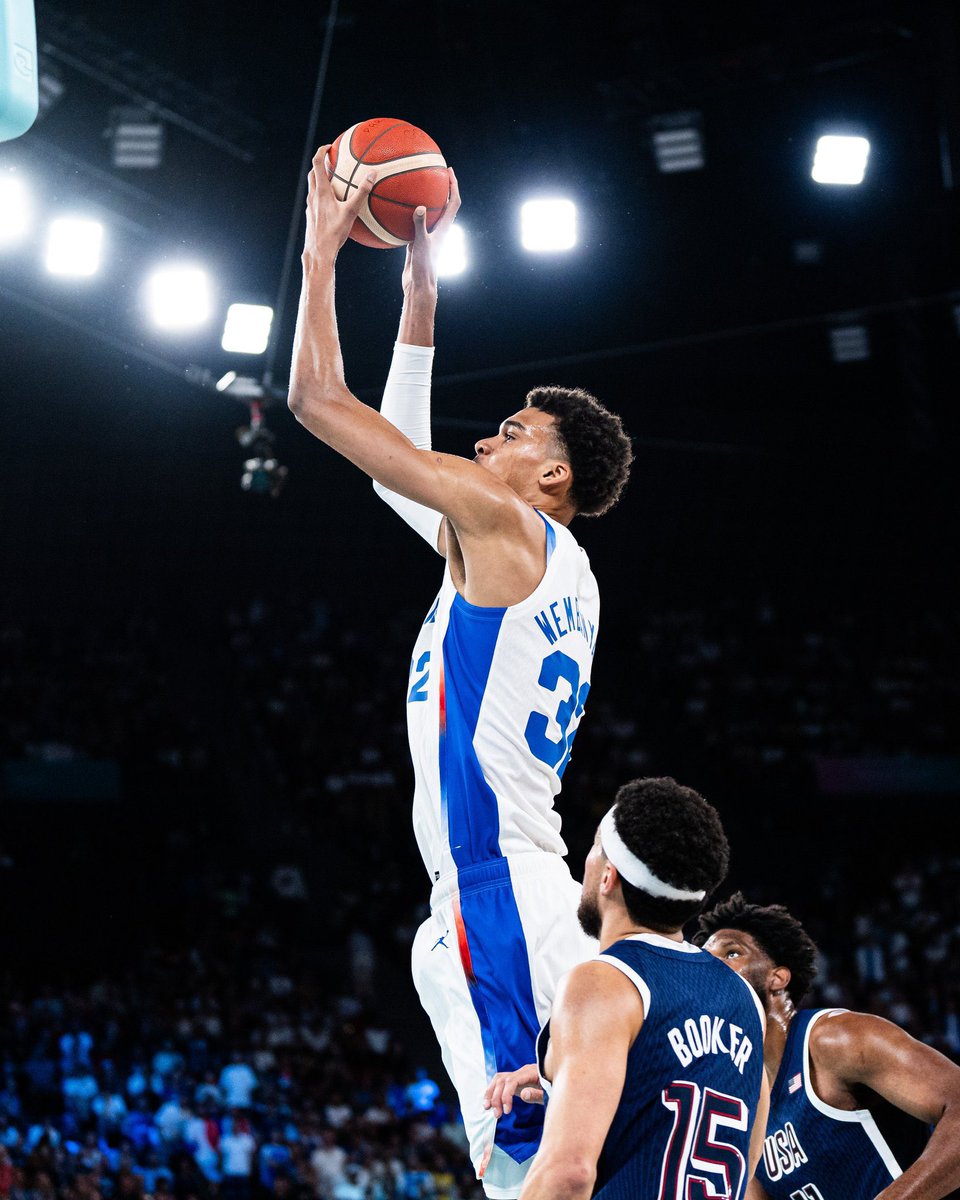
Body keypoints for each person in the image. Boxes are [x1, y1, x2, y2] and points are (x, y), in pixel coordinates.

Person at [288, 152, 633, 1197]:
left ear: (553, 475)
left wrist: (318, 254)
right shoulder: (535, 559)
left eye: (513, 433)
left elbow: (317, 400)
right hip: (520, 890)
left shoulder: (503, 526)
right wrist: (420, 295)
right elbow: (400, 465)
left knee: (536, 1181)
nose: (485, 441)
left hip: (498, 896)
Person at [482, 777, 769, 1199]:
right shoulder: (744, 999)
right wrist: (567, 1081)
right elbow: (744, 1161)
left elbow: (568, 1174)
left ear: (608, 876)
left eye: (596, 847)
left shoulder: (604, 981)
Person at [697, 892, 960, 1200]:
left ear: (777, 978)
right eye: (705, 960)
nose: (711, 968)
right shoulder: (739, 1107)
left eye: (731, 953)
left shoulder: (835, 1039)